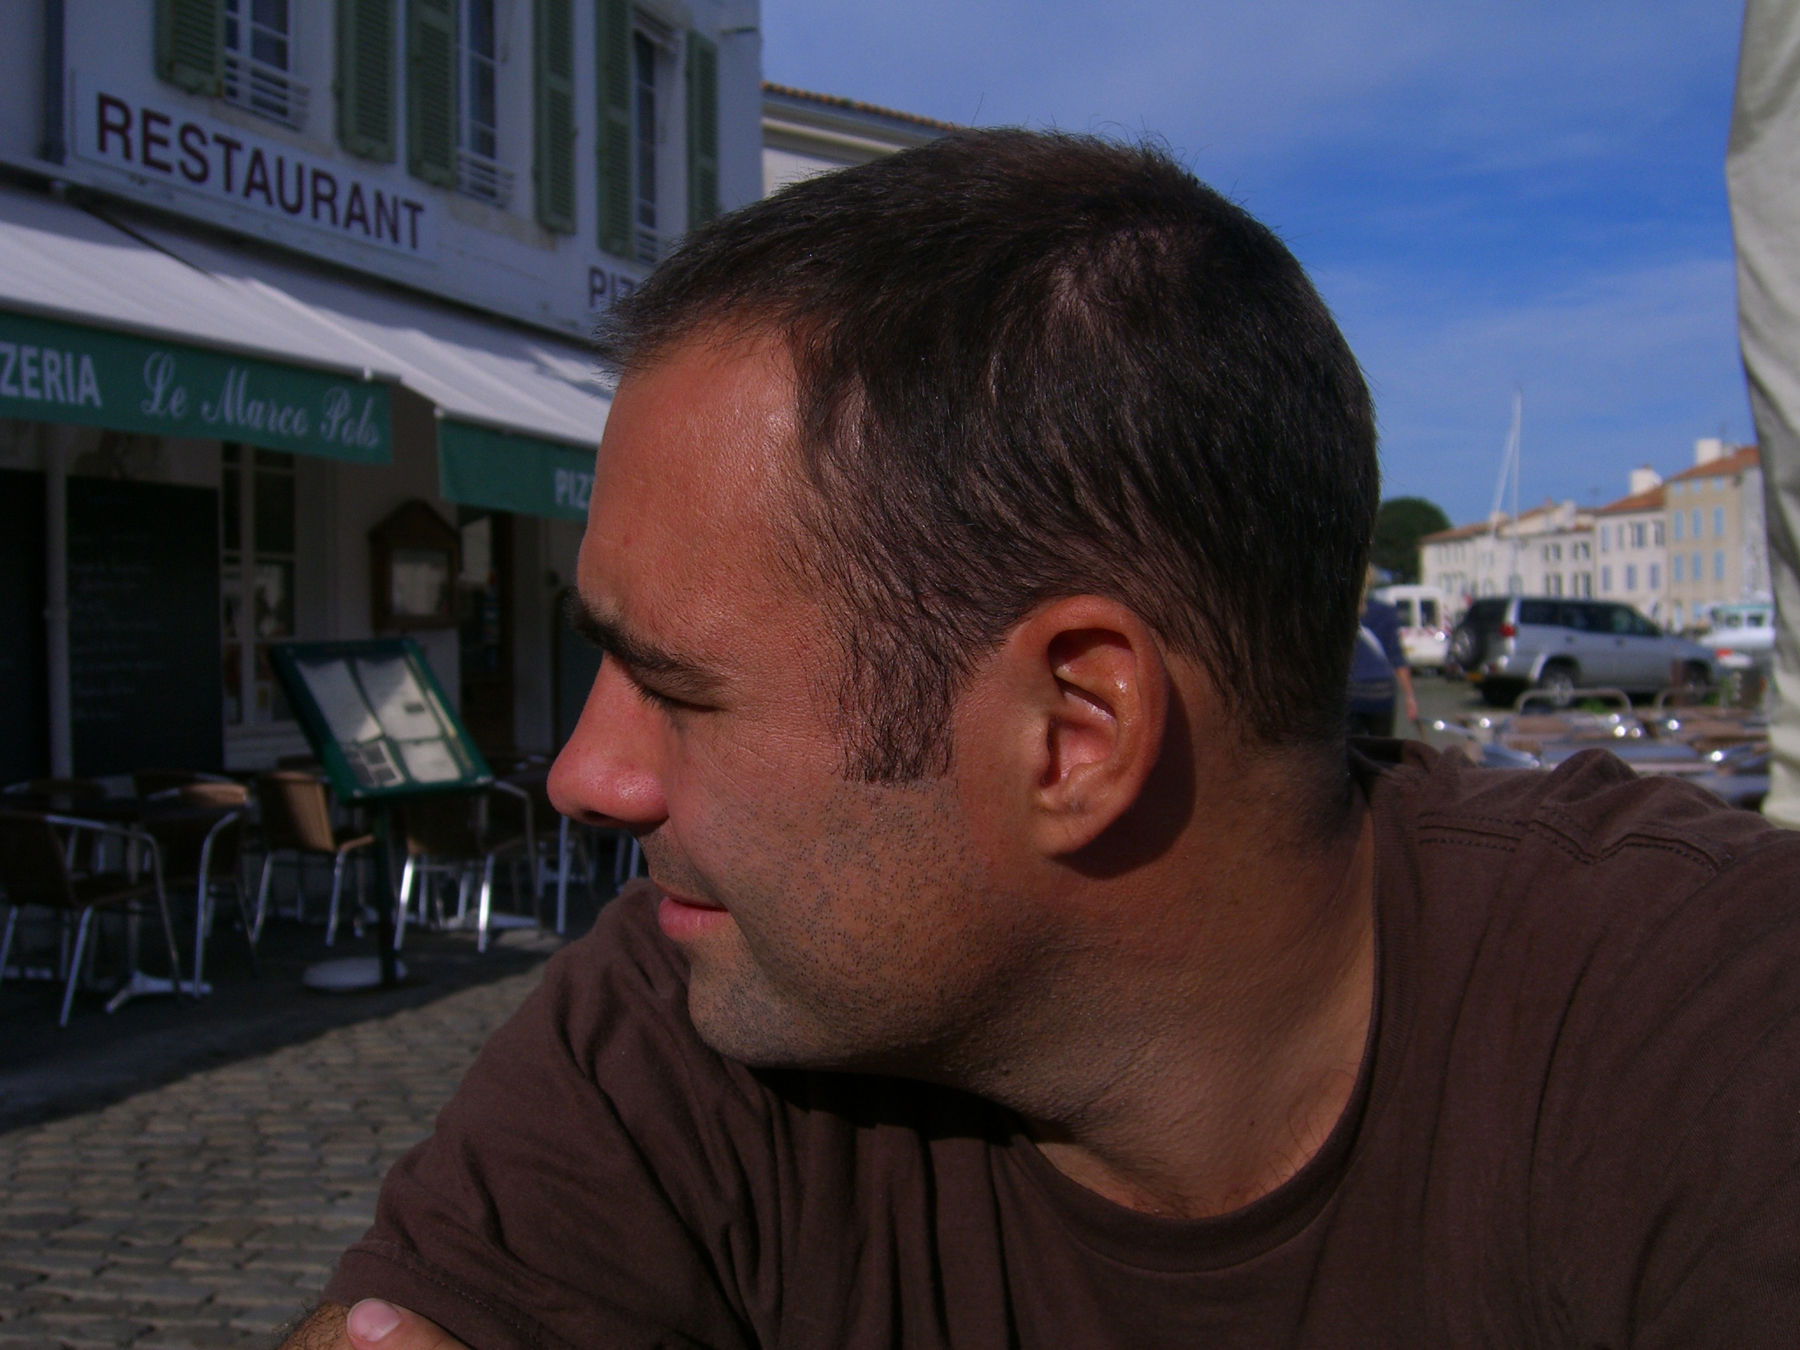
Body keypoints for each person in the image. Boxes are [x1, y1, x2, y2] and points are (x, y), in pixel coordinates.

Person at [285, 131, 1800, 1350]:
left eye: (678, 688)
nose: (585, 777)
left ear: (1074, 731)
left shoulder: (1705, 1036)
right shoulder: (709, 999)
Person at [1348, 571, 1417, 737]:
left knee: (1349, 748)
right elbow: (1397, 657)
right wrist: (1410, 697)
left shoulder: (1340, 614)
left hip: (1351, 692)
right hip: (1382, 691)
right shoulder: (1387, 612)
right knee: (1382, 747)